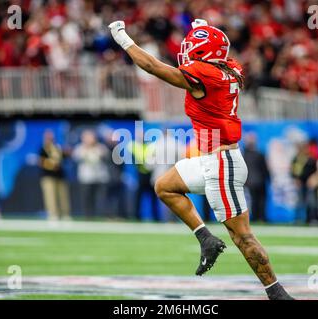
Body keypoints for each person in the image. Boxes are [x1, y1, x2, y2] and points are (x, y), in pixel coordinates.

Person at [109, 19, 293, 299]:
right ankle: (206, 238)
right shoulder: (232, 68)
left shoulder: (205, 73)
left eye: (193, 46)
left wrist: (123, 39)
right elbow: (219, 56)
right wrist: (205, 28)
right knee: (164, 186)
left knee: (242, 237)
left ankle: (277, 293)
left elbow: (153, 67)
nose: (187, 52)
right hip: (213, 159)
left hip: (221, 164)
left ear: (204, 52)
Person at [72, 130, 110, 219]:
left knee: (102, 198)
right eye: (88, 138)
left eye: (92, 137)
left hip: (100, 177)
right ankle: (88, 216)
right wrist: (87, 149)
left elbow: (105, 155)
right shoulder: (80, 148)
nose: (90, 140)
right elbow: (76, 157)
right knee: (87, 198)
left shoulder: (100, 147)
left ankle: (104, 216)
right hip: (86, 178)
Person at [39, 130, 70, 221]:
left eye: (51, 138)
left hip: (60, 176)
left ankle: (65, 214)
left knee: (63, 196)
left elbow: (63, 157)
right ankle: (53, 214)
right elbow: (41, 162)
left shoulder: (57, 148)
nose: (50, 139)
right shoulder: (43, 149)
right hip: (48, 176)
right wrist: (52, 165)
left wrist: (67, 153)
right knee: (50, 196)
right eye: (48, 138)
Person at [243, 133, 270, 222]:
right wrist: (268, 179)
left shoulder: (244, 155)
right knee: (261, 200)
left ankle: (255, 217)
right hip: (260, 181)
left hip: (249, 182)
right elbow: (265, 169)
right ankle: (261, 217)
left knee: (254, 201)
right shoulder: (259, 154)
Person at [291, 142, 317, 223]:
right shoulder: (296, 159)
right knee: (299, 202)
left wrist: (313, 179)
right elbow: (293, 171)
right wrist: (295, 179)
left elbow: (315, 171)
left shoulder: (311, 160)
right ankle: (298, 219)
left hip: (309, 184)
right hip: (300, 184)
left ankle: (310, 219)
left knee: (310, 202)